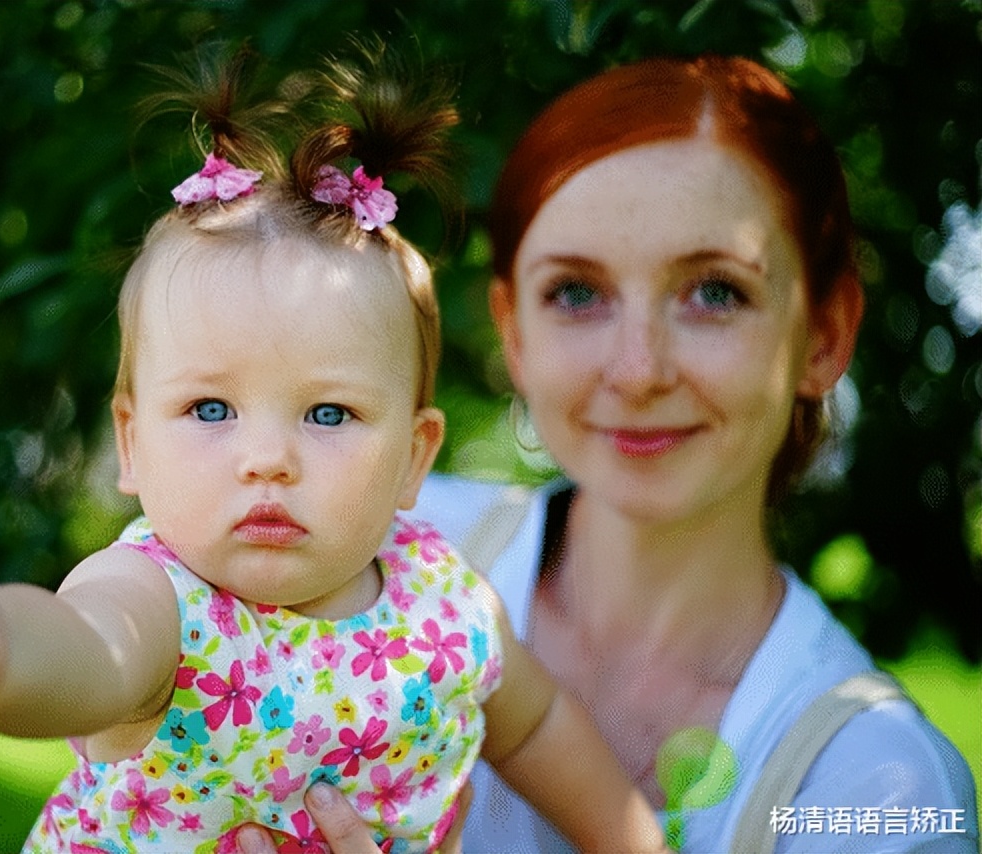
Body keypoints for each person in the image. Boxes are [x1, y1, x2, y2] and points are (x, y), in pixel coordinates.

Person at [0, 47, 665, 853]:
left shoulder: (445, 603)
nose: (268, 458)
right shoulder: (162, 603)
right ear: (132, 444)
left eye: (328, 415)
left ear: (414, 456)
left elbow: (540, 724)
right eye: (210, 407)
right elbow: (84, 653)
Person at [396, 54, 977, 853]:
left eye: (715, 291)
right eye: (575, 293)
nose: (638, 372)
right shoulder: (377, 558)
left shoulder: (879, 788)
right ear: (514, 334)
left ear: (825, 335)